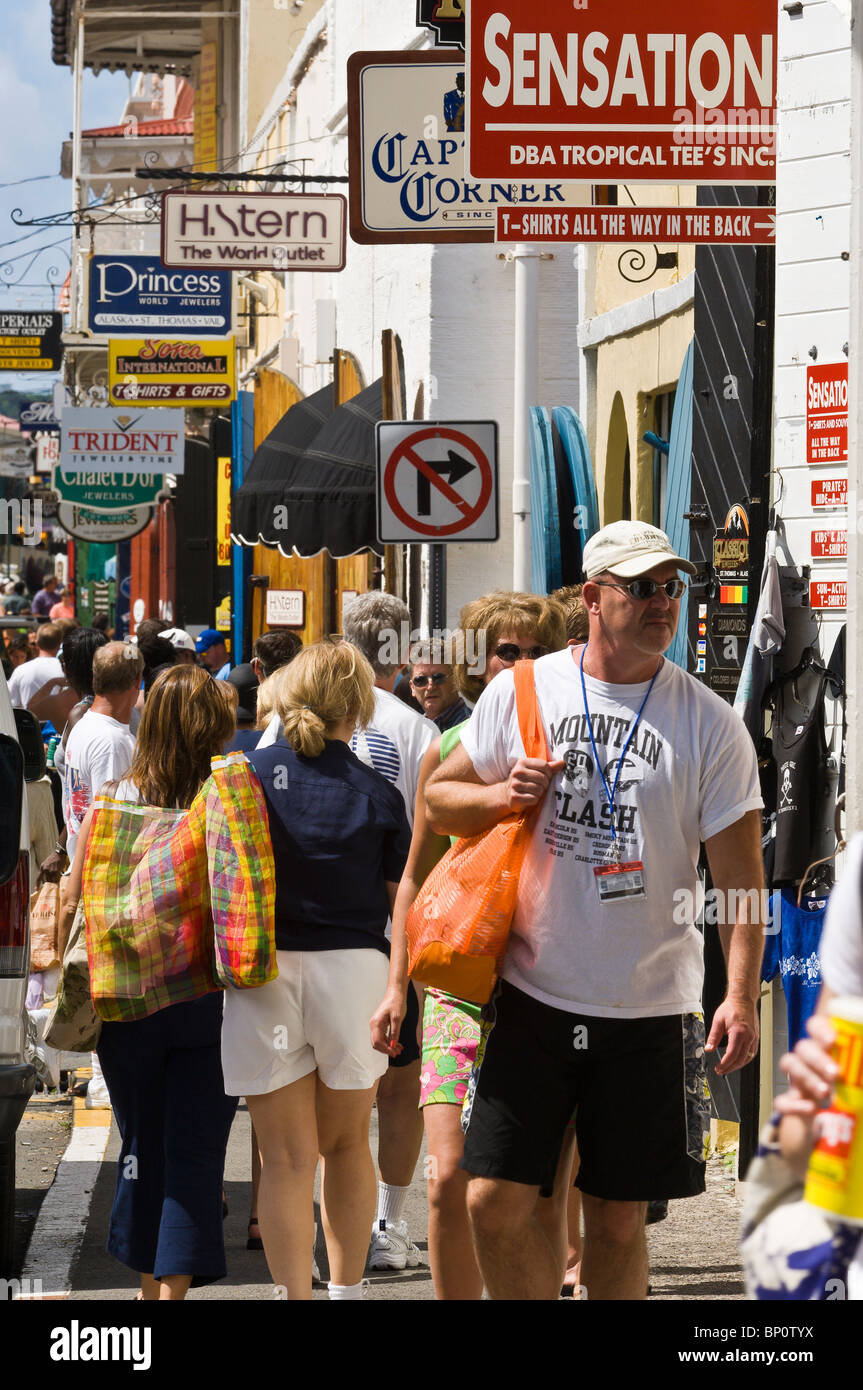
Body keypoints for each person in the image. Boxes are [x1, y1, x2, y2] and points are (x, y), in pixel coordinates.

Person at [425, 521, 766, 1301]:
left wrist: (739, 995)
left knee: (614, 1224)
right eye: (641, 588)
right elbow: (438, 801)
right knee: (493, 1202)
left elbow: (741, 883)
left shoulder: (709, 724)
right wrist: (494, 793)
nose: (661, 604)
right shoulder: (522, 691)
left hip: (649, 1010)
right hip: (533, 997)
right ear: (590, 597)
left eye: (670, 588)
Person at [390, 591, 568, 1300]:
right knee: (446, 1180)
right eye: (504, 651)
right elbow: (411, 879)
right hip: (459, 989)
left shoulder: (572, 737)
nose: (519, 665)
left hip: (551, 986)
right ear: (479, 661)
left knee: (544, 1191)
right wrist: (391, 987)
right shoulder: (450, 748)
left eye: (533, 652)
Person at [221, 641, 411, 1300]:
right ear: (356, 707)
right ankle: (347, 1294)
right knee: (348, 1145)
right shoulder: (377, 792)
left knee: (284, 1159)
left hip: (262, 973)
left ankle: (291, 1298)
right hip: (354, 973)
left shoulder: (241, 774)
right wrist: (399, 986)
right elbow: (404, 906)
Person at [67, 666, 240, 1299]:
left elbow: (79, 888)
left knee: (141, 1144)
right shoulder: (226, 798)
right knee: (196, 1153)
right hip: (208, 1000)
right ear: (215, 726)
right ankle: (170, 1295)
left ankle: (148, 1293)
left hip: (127, 1002)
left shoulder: (112, 799)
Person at [342, 591, 437, 1271]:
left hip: (317, 931)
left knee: (337, 1086)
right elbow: (434, 844)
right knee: (400, 1084)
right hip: (396, 930)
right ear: (402, 656)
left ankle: (337, 1225)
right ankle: (386, 1224)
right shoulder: (418, 730)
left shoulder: (304, 719)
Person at [408, 643, 470, 732]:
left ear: (456, 680)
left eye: (438, 677)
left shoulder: (472, 728)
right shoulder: (413, 730)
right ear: (412, 688)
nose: (430, 687)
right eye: (420, 680)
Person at [7, 622, 63, 708]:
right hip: (59, 721)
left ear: (37, 643)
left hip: (28, 720)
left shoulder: (21, 670)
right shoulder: (66, 670)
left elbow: (11, 703)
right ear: (59, 645)